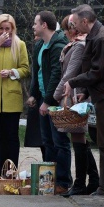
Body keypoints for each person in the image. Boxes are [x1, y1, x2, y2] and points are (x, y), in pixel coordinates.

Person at [64, 4, 104, 196]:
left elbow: (98, 72)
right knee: (103, 140)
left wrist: (73, 82)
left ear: (85, 21)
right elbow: (98, 70)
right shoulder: (94, 36)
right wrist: (86, 93)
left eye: (75, 23)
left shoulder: (102, 38)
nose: (73, 27)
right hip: (103, 94)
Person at [53, 15, 99, 196]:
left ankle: (81, 183)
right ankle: (93, 179)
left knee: (79, 138)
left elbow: (69, 74)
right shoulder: (74, 45)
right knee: (79, 140)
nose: (64, 32)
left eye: (66, 28)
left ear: (73, 29)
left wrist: (55, 97)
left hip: (75, 97)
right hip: (72, 95)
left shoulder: (79, 46)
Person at [27, 10, 71, 195]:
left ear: (44, 25)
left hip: (56, 101)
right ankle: (49, 181)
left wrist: (47, 101)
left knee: (60, 142)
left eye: (36, 23)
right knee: (47, 142)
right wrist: (33, 95)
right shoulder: (40, 46)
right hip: (44, 101)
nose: (33, 26)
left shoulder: (58, 45)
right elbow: (37, 73)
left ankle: (63, 181)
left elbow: (56, 76)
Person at [0, 13, 30, 175]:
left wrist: (11, 72)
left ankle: (10, 172)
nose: (4, 31)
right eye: (1, 28)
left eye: (7, 28)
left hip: (11, 98)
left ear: (13, 29)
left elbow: (25, 69)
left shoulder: (19, 45)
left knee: (11, 137)